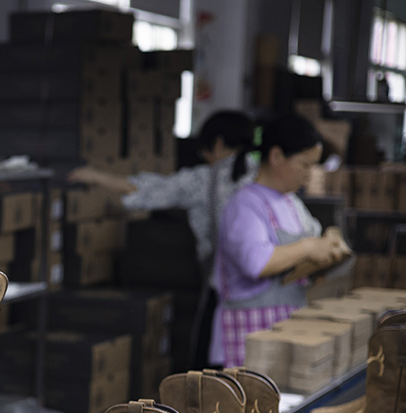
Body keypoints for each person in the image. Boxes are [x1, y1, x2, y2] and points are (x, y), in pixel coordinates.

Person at [68, 110, 256, 366]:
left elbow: (150, 189)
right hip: (267, 296)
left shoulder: (205, 180)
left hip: (224, 291)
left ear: (218, 143)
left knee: (213, 369)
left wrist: (96, 176)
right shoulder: (264, 177)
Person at [213, 112, 351, 368]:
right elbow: (256, 263)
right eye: (305, 165)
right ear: (276, 156)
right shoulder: (244, 205)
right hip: (249, 337)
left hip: (286, 330)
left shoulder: (292, 202)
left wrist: (330, 245)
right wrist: (308, 247)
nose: (310, 174)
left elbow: (314, 245)